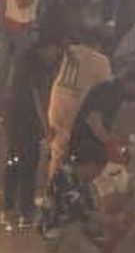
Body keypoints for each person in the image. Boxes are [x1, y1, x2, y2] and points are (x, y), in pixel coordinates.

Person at [3, 36, 62, 228]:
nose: (56, 55)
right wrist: (47, 130)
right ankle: (26, 212)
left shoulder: (24, 60)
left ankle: (8, 208)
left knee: (13, 162)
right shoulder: (37, 66)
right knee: (28, 164)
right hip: (25, 123)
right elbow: (40, 101)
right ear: (47, 46)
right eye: (56, 50)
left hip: (12, 118)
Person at [45, 33, 113, 183]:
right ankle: (61, 188)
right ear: (99, 44)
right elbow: (107, 89)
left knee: (57, 151)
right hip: (76, 108)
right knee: (71, 154)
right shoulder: (101, 60)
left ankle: (52, 185)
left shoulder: (71, 49)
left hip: (57, 103)